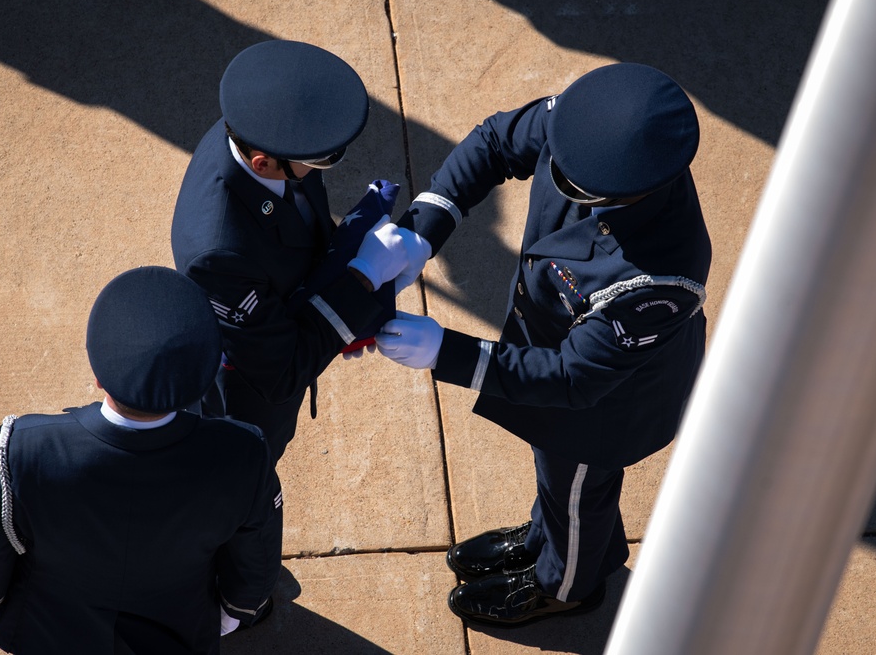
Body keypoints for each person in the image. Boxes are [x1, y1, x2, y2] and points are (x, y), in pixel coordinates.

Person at [376, 63, 712, 626]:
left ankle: (568, 583)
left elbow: (573, 380)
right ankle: (546, 537)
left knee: (578, 487)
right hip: (558, 352)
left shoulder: (660, 277)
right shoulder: (587, 131)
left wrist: (448, 353)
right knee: (556, 477)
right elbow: (495, 142)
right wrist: (423, 229)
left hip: (605, 406)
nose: (557, 173)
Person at [0, 266, 282, 654]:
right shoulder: (242, 454)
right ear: (196, 381)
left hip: (50, 632)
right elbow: (252, 574)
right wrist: (229, 615)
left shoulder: (21, 450)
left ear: (97, 374)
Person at [171, 39, 427, 463]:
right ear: (262, 164)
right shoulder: (219, 254)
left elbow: (301, 229)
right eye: (319, 159)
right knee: (245, 479)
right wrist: (361, 279)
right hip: (245, 399)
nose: (323, 163)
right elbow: (282, 369)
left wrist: (350, 309)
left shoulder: (268, 131)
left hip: (270, 323)